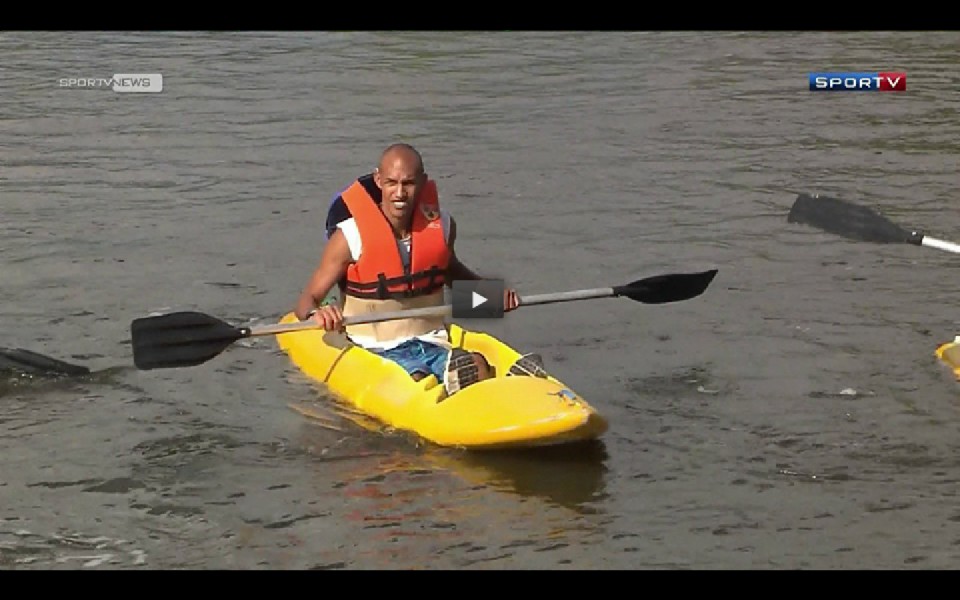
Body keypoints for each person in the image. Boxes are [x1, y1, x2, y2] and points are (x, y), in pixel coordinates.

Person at [294, 143, 537, 396]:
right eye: (391, 183)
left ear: (422, 182)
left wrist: (493, 299)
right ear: (378, 180)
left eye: (408, 183)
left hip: (432, 341)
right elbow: (305, 301)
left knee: (475, 362)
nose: (400, 193)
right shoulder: (349, 237)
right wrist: (317, 313)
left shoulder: (442, 226)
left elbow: (451, 278)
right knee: (417, 378)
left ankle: (503, 388)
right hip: (375, 349)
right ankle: (471, 391)